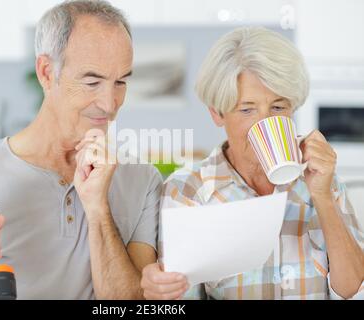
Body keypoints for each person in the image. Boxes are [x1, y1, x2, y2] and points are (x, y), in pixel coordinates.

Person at [0, 0, 161, 300]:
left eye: (121, 81)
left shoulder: (144, 181)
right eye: (92, 81)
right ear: (46, 72)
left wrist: (98, 209)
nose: (110, 105)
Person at [141, 27, 364, 300]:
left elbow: (354, 291)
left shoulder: (324, 182)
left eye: (278, 107)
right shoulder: (187, 191)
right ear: (217, 114)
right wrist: (161, 291)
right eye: (247, 109)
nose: (265, 123)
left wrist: (323, 197)